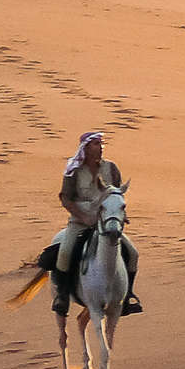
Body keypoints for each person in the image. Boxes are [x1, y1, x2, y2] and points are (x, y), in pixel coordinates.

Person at [53, 131, 143, 315]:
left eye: (102, 143)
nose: (100, 147)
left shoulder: (111, 168)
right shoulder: (73, 170)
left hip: (106, 223)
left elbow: (118, 196)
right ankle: (62, 297)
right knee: (64, 253)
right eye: (95, 144)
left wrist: (120, 215)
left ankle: (127, 296)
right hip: (80, 223)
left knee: (132, 253)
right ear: (85, 147)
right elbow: (66, 199)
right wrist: (83, 216)